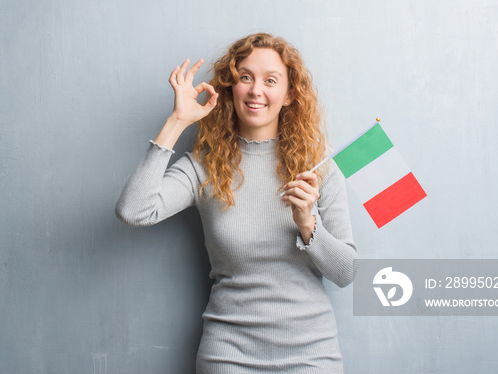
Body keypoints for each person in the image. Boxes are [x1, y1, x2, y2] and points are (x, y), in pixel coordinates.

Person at [115, 33, 358, 373]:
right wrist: (177, 122)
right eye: (246, 77)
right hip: (228, 356)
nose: (256, 90)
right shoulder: (204, 166)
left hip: (311, 356)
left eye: (270, 81)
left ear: (289, 95)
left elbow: (346, 272)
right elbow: (133, 211)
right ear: (231, 88)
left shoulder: (320, 168)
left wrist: (308, 224)